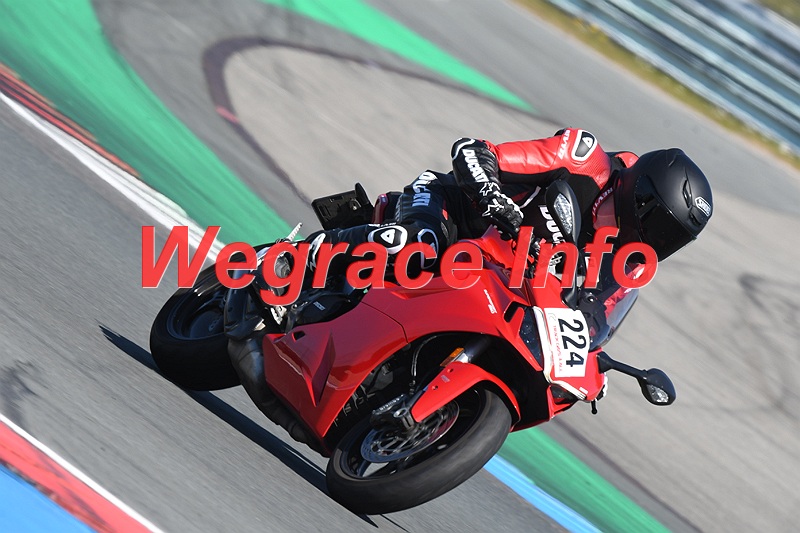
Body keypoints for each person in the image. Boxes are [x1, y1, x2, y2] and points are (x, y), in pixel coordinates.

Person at [299, 128, 713, 280]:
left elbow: (592, 318)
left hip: (482, 276)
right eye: (662, 229)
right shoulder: (583, 159)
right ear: (641, 197)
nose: (659, 244)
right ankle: (297, 258)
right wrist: (493, 199)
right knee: (420, 245)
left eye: (673, 240)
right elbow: (472, 150)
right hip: (451, 209)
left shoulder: (626, 264)